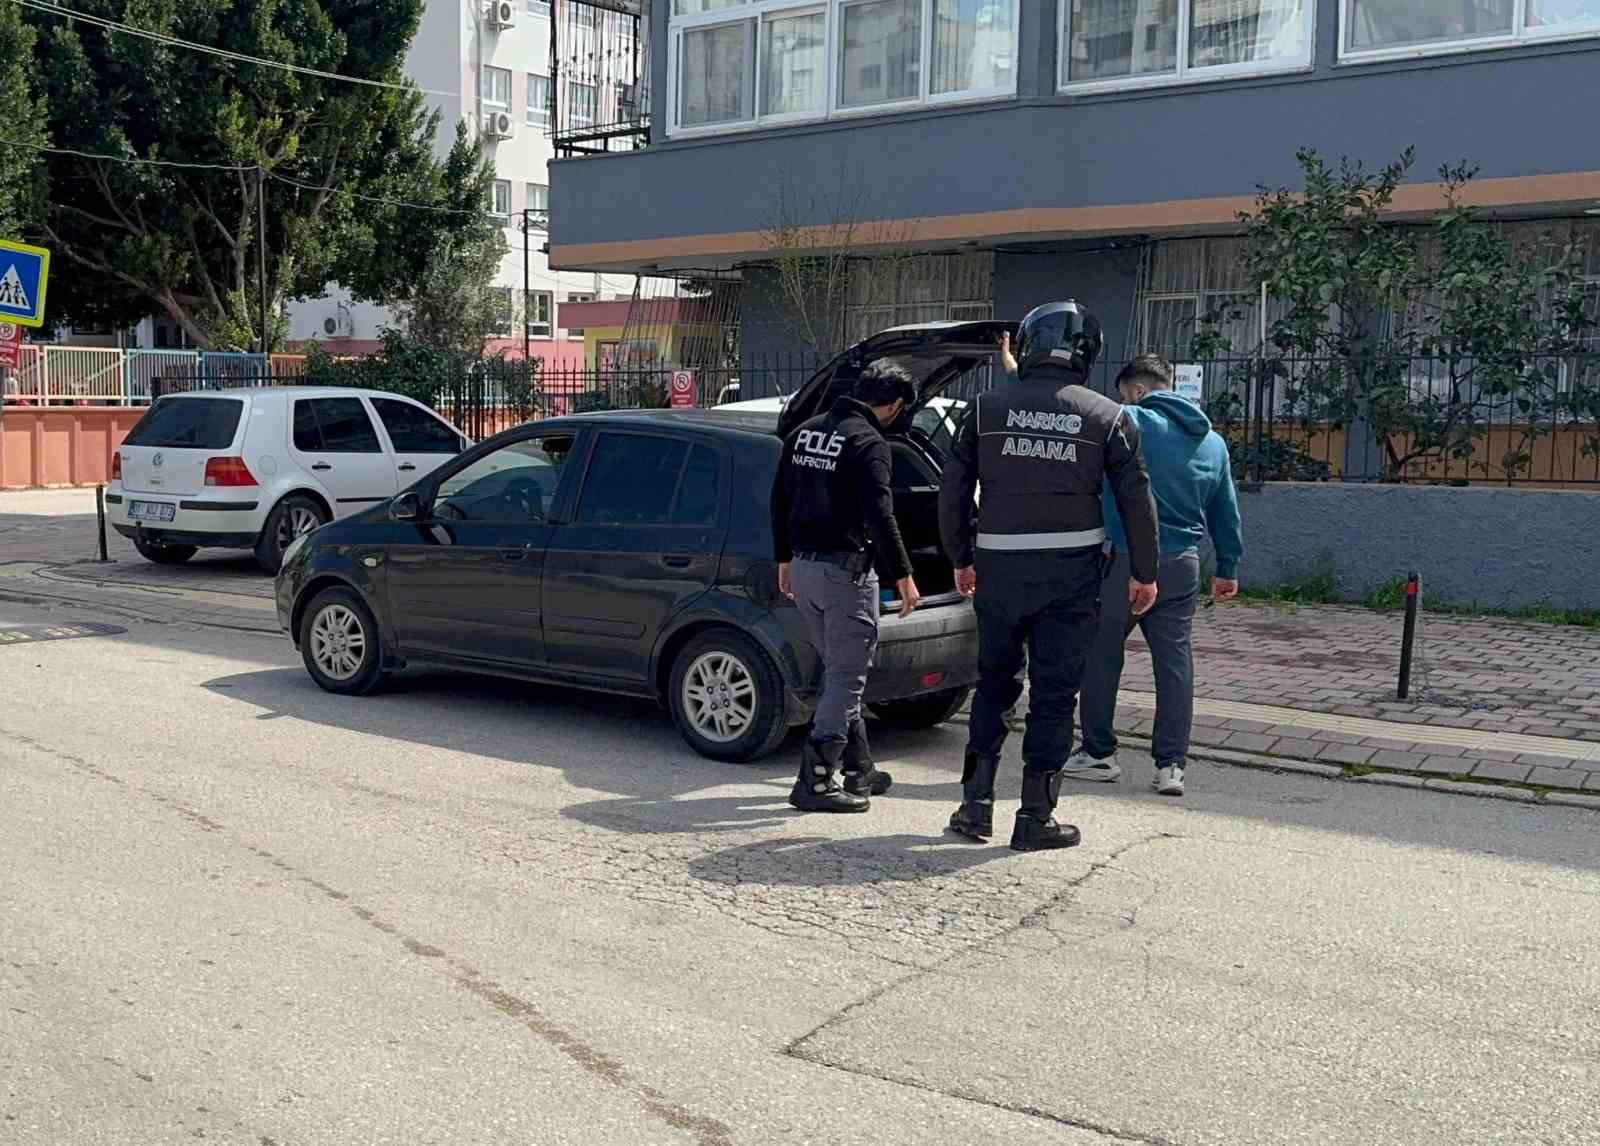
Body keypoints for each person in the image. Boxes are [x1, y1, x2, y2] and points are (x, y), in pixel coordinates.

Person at [939, 301, 1160, 851]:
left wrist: (960, 558)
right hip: (1071, 575)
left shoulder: (984, 410)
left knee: (993, 684)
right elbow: (1137, 500)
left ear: (1031, 344)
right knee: (1055, 694)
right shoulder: (1110, 417)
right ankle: (1035, 817)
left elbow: (953, 491)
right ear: (1087, 353)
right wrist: (1145, 572)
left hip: (998, 570)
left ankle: (975, 805)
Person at [1069, 354, 1244, 797]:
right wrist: (1227, 567)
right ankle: (1171, 766)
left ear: (1138, 391)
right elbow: (1226, 511)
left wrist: (1021, 375)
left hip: (1126, 562)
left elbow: (1074, 410)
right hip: (1184, 563)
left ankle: (1098, 753)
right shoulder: (1214, 443)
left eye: (1124, 395)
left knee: (1101, 653)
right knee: (1174, 662)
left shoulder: (1130, 420)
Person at [771, 360, 922, 813]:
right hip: (845, 575)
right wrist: (904, 576)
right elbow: (880, 514)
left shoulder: (804, 432)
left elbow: (779, 500)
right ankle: (815, 781)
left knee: (839, 672)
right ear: (895, 405)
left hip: (805, 570)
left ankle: (860, 768)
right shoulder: (868, 442)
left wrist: (783, 558)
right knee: (846, 677)